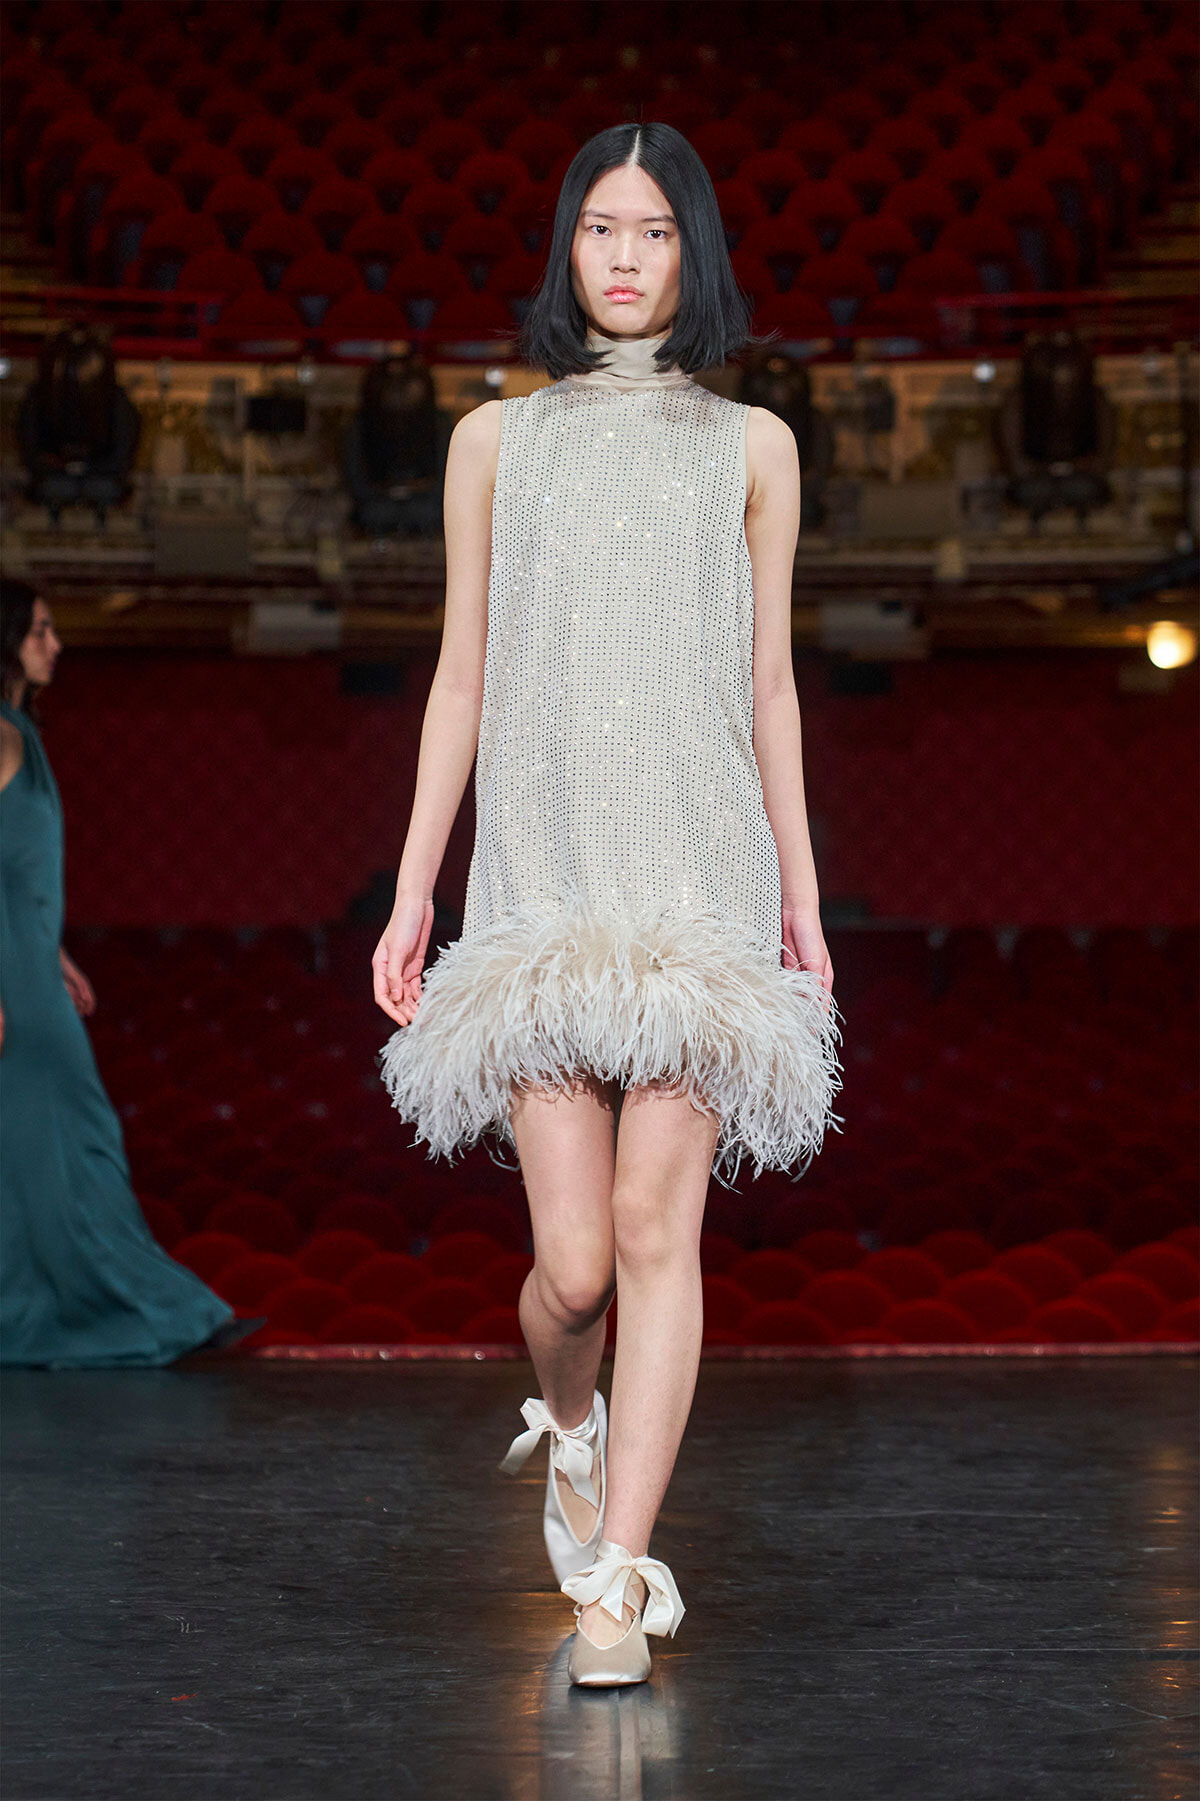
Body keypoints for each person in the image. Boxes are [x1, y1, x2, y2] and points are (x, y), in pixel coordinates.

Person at [372, 123, 843, 1687]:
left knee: (657, 1229)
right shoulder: (495, 441)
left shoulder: (754, 445)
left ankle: (618, 1586)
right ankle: (566, 1419)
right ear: (566, 252)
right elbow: (460, 676)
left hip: (700, 882)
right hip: (546, 879)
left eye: (653, 231)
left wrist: (802, 891)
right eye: (599, 228)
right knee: (572, 1267)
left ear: (691, 254)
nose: (627, 256)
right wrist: (416, 882)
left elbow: (770, 684)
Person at [0, 577, 255, 1367]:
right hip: (9, 979)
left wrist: (54, 950)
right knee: (69, 1142)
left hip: (29, 965)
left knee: (58, 1146)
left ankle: (89, 1312)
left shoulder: (21, 734)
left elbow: (18, 869)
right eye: (40, 630)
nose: (56, 643)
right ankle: (139, 1312)